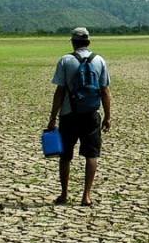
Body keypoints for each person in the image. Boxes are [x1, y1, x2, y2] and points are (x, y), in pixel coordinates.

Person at [46, 27, 112, 206]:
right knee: (92, 155)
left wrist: (53, 118)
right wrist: (107, 116)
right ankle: (87, 195)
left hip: (69, 115)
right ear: (88, 42)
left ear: (73, 42)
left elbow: (59, 92)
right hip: (91, 114)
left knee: (65, 155)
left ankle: (64, 194)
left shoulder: (65, 60)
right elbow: (105, 91)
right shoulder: (99, 60)